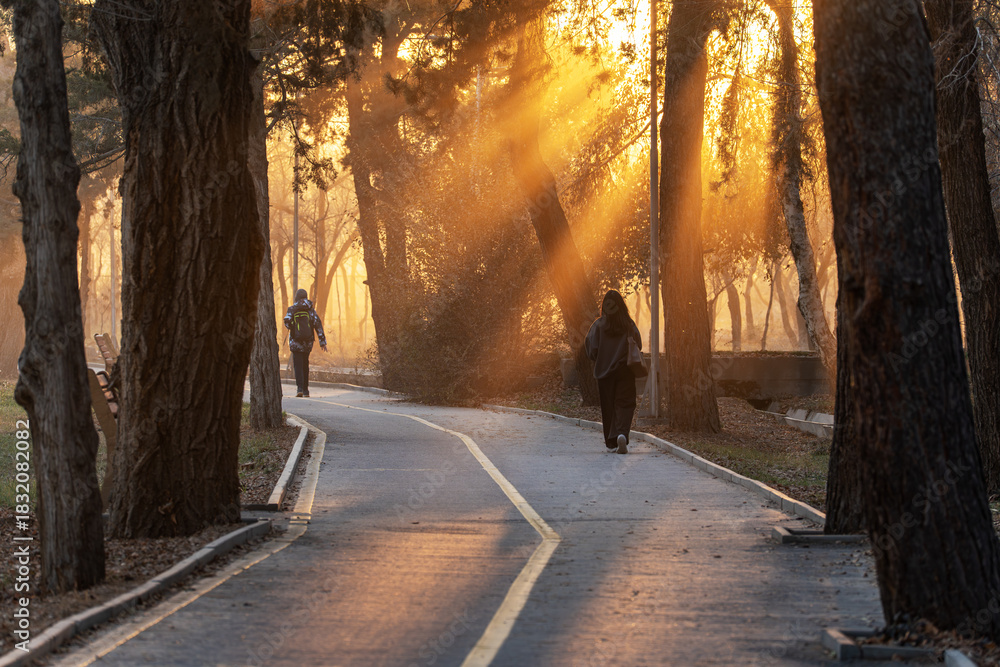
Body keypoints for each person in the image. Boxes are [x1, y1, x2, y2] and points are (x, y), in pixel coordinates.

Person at [585, 289, 642, 454]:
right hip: (626, 370)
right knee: (625, 404)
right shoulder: (628, 324)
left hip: (604, 373)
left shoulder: (598, 325)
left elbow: (591, 349)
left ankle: (612, 440)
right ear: (621, 306)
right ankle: (622, 433)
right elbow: (638, 344)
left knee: (608, 406)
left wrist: (601, 357)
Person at [284, 288, 327, 398]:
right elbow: (317, 324)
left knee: (297, 365)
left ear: (296, 297)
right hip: (308, 342)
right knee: (305, 364)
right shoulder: (311, 310)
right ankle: (306, 390)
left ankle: (299, 388)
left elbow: (287, 321)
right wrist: (322, 341)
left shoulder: (292, 309)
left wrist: (293, 329)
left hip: (295, 341)